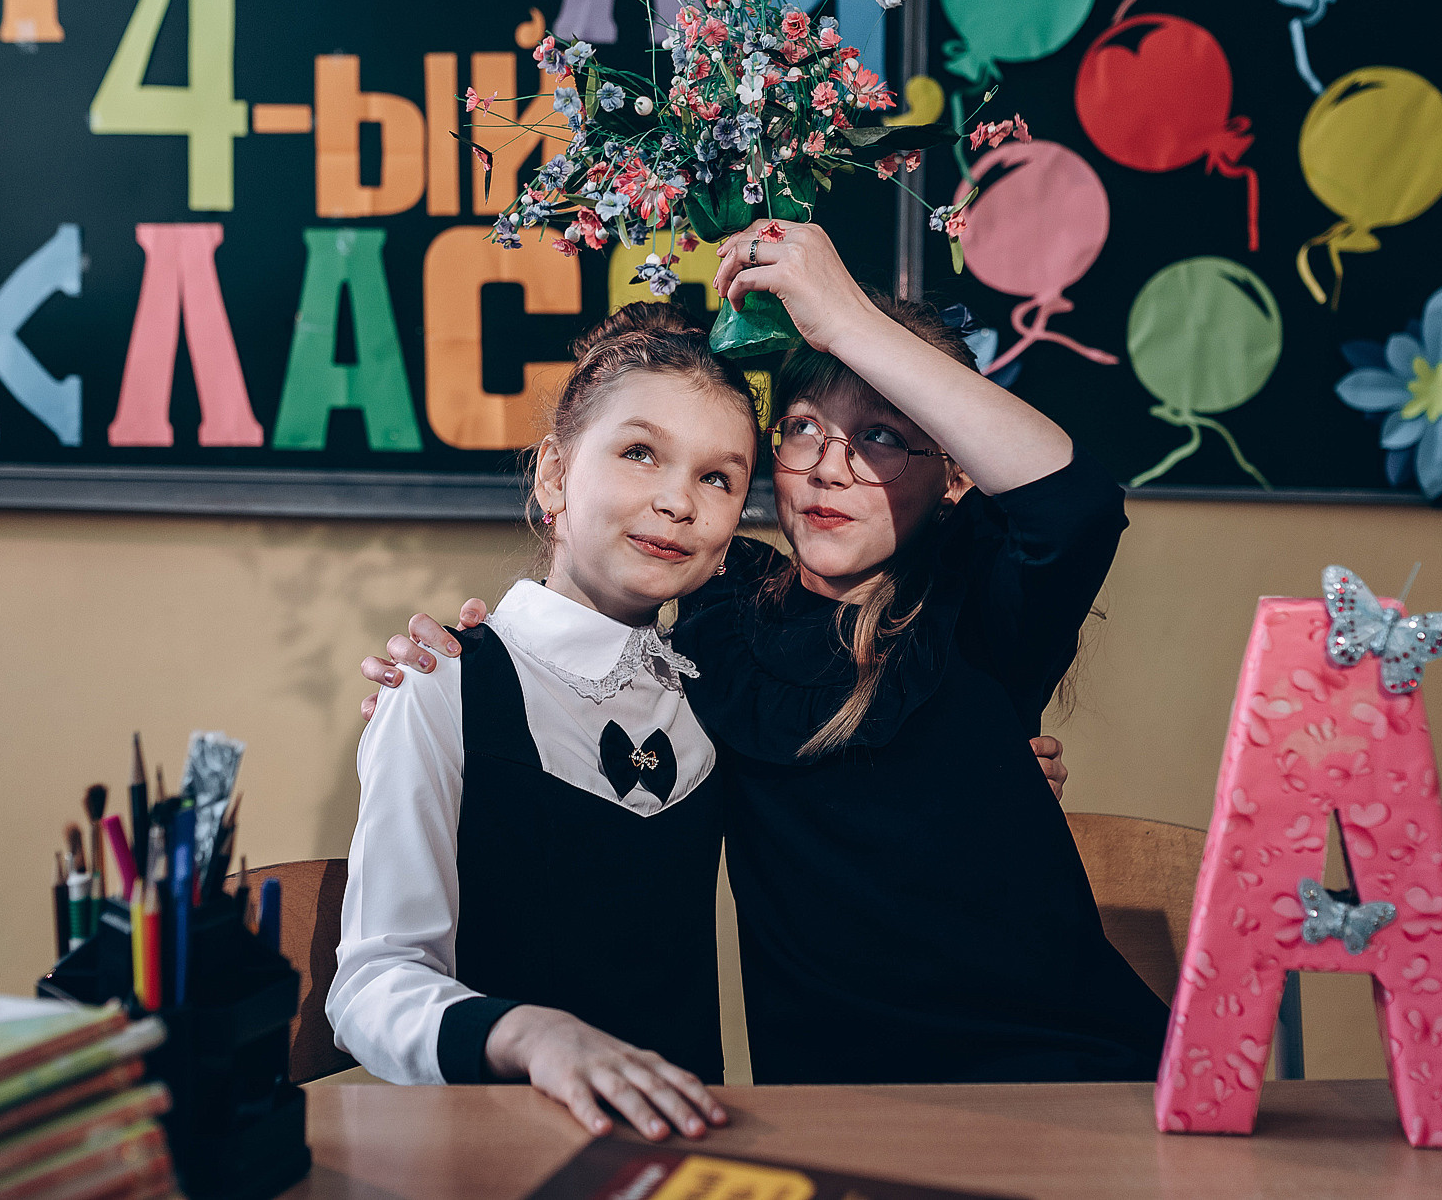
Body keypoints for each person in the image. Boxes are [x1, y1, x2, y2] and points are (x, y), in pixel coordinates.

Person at [369, 223, 1168, 1086]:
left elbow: (1076, 505)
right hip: (835, 1103)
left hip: (1058, 1075)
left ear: (956, 474)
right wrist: (470, 671)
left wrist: (843, 320)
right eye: (800, 428)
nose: (830, 467)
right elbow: (594, 628)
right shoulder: (721, 615)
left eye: (885, 437)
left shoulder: (978, 605)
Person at [327, 304, 750, 1142]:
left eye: (718, 477)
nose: (677, 500)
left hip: (688, 1151)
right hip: (498, 1150)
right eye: (639, 452)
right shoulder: (440, 683)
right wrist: (530, 1032)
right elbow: (371, 983)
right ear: (554, 475)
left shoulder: (722, 693)